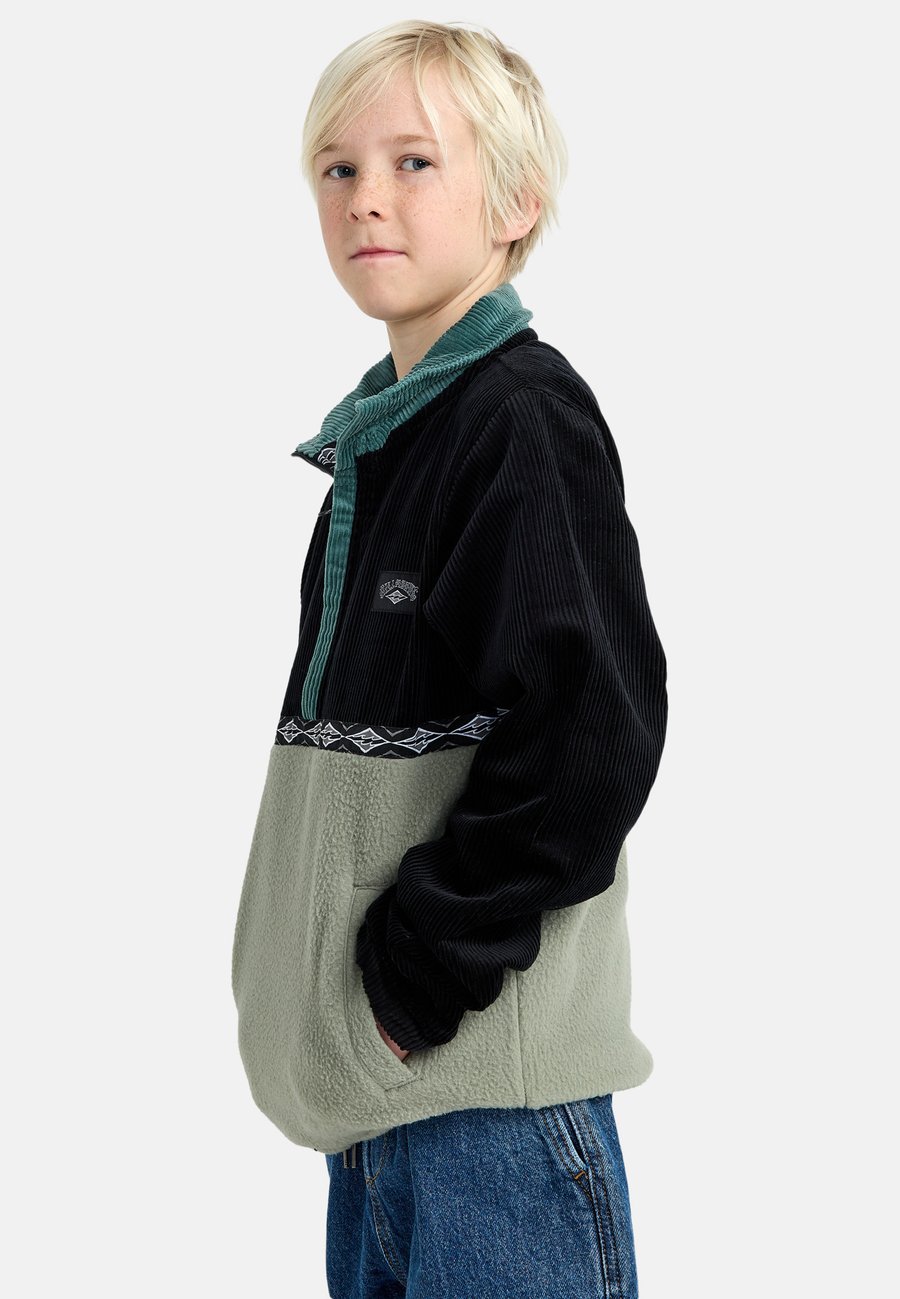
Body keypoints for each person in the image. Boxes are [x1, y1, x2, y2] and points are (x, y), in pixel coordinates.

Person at [231, 19, 668, 1298]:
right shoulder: (386, 446)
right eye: (338, 168)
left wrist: (407, 990)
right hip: (382, 1120)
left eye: (414, 162)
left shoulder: (521, 421)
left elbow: (591, 740)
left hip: (491, 1116)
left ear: (516, 203)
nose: (366, 197)